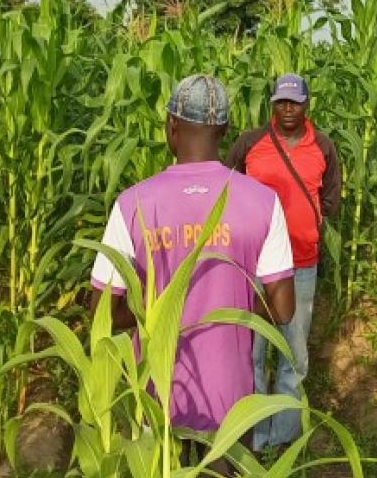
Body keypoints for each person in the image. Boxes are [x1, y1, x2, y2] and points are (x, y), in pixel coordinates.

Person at [89, 74, 295, 456]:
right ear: (227, 130)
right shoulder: (263, 202)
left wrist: (156, 313)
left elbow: (103, 311)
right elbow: (283, 310)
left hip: (156, 392)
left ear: (171, 126)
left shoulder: (132, 203)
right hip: (232, 398)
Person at [224, 73, 342, 451]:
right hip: (253, 267)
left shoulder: (323, 147)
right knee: (251, 355)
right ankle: (255, 437)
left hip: (301, 264)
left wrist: (305, 223)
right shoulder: (250, 143)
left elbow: (331, 200)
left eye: (294, 102)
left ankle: (283, 438)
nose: (288, 109)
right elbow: (226, 189)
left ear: (307, 105)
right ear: (272, 104)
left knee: (293, 356)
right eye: (281, 102)